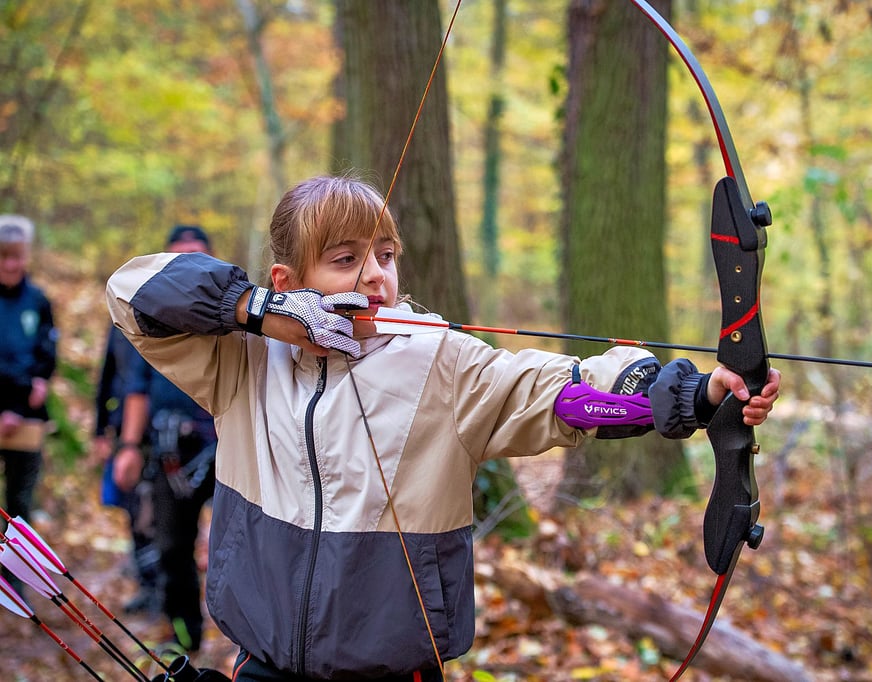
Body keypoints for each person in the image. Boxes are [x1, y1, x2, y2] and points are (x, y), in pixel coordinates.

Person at [106, 175, 781, 682]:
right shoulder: (243, 359)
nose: (374, 276)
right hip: (264, 666)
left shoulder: (440, 362)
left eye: (385, 256)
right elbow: (131, 292)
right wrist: (254, 311)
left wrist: (691, 396)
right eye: (345, 260)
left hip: (396, 672)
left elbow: (558, 394)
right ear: (290, 280)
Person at [111, 225, 219, 653]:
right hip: (170, 451)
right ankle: (184, 637)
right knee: (172, 545)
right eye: (179, 258)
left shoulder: (233, 316)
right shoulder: (149, 321)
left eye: (197, 255)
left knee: (244, 544)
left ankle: (254, 645)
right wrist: (129, 447)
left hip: (226, 445)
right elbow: (135, 389)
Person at [0, 214, 57, 593]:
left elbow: (46, 352)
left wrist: (38, 382)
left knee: (20, 502)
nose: (11, 264)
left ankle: (15, 581)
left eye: (16, 256)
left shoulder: (38, 300)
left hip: (28, 419)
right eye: (4, 256)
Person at [92, 323, 163, 614]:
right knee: (134, 512)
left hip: (159, 434)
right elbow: (108, 373)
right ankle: (147, 584)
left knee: (159, 515)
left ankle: (162, 589)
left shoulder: (166, 317)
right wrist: (100, 429)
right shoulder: (119, 323)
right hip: (127, 434)